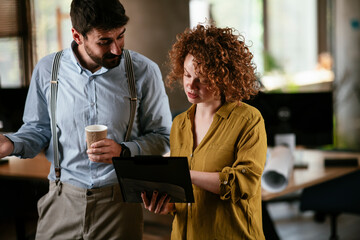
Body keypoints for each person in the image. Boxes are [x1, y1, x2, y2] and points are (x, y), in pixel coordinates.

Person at [0, 0, 172, 239]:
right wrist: (11, 143)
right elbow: (38, 130)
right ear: (77, 35)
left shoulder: (144, 71)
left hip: (119, 203)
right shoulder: (48, 70)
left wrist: (124, 151)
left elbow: (163, 137)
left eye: (121, 36)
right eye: (104, 41)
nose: (117, 49)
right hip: (61, 200)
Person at [142, 24, 267, 239]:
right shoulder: (179, 124)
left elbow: (243, 184)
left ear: (224, 77)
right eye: (187, 75)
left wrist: (185, 175)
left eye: (203, 79)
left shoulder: (248, 120)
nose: (191, 85)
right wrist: (168, 206)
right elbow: (184, 195)